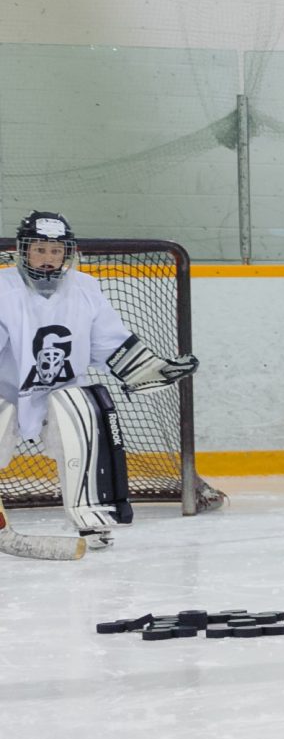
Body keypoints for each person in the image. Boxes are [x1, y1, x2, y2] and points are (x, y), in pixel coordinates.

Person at [0, 210, 198, 545]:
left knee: (85, 412)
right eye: (39, 249)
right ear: (23, 250)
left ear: (67, 253)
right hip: (5, 391)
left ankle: (93, 517)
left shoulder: (85, 288)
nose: (48, 259)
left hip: (60, 393)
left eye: (55, 251)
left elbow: (109, 341)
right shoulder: (3, 288)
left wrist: (152, 369)